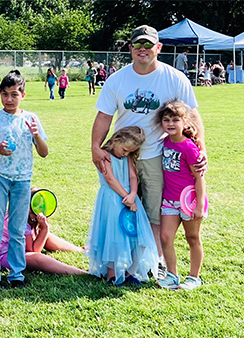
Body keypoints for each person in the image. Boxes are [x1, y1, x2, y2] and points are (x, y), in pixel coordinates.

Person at [91, 25, 204, 280]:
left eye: (148, 45)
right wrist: (95, 148)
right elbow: (104, 116)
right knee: (122, 208)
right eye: (138, 45)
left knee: (154, 212)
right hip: (121, 156)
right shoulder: (117, 79)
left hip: (156, 155)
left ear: (158, 48)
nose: (143, 50)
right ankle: (121, 263)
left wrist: (200, 150)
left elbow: (193, 116)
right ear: (131, 48)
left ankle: (149, 264)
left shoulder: (175, 78)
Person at [0, 70, 48, 288]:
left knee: (18, 229)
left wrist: (37, 135)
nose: (9, 99)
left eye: (14, 94)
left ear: (23, 95)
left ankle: (16, 274)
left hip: (22, 181)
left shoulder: (31, 119)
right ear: (0, 94)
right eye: (5, 94)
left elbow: (44, 152)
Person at [85, 126, 159, 285]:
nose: (126, 154)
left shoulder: (128, 157)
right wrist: (127, 197)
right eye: (125, 149)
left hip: (130, 200)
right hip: (112, 199)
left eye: (129, 151)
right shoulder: (104, 157)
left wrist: (133, 194)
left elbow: (133, 177)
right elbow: (110, 180)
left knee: (141, 237)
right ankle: (111, 274)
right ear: (116, 141)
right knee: (114, 237)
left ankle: (130, 271)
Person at [154, 101, 207, 290]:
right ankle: (172, 275)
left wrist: (199, 205)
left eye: (175, 120)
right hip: (169, 201)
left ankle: (194, 277)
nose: (170, 123)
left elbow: (199, 178)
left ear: (185, 122)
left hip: (189, 202)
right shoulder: (165, 142)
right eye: (166, 119)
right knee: (166, 237)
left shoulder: (189, 148)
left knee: (192, 237)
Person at [0, 196, 86, 276]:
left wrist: (44, 231)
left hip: (16, 247)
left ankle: (79, 250)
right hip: (3, 255)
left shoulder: (19, 213)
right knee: (37, 257)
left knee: (46, 237)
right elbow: (33, 251)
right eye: (33, 208)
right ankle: (80, 273)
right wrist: (45, 229)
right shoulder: (20, 221)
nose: (36, 212)